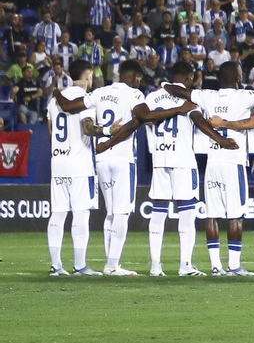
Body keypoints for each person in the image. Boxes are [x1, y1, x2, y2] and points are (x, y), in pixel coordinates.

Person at [69, 61, 187, 275]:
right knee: (122, 212)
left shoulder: (98, 92)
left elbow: (84, 121)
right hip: (123, 159)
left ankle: (110, 262)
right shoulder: (134, 95)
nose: (139, 82)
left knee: (111, 212)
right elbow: (145, 116)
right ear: (133, 76)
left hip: (102, 158)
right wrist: (178, 109)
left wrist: (104, 132)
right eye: (139, 78)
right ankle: (112, 265)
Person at [143, 61, 235, 275]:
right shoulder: (187, 97)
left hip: (160, 158)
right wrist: (220, 140)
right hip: (183, 159)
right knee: (187, 213)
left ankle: (156, 265)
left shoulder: (153, 96)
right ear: (187, 77)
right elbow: (200, 122)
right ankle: (185, 265)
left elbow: (146, 119)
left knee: (158, 212)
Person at [187, 62, 254, 275]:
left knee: (212, 215)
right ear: (238, 77)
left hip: (212, 162)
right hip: (233, 161)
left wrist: (166, 85)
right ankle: (234, 265)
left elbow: (179, 91)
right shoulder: (245, 95)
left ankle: (215, 266)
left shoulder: (207, 95)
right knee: (235, 216)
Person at [45, 60, 105, 275]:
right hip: (80, 165)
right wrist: (109, 130)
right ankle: (80, 265)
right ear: (88, 74)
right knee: (80, 215)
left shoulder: (54, 101)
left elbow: (50, 132)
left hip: (58, 163)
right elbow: (88, 128)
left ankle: (56, 266)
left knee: (58, 214)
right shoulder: (84, 99)